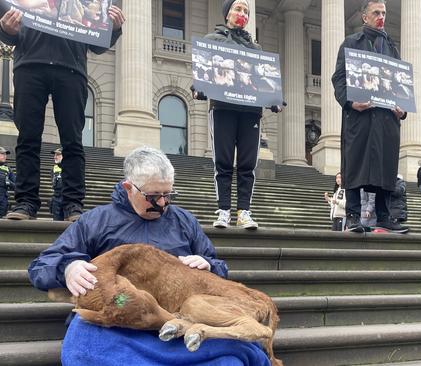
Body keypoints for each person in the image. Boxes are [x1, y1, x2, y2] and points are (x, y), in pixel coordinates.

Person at [27, 147, 270, 365]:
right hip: (121, 317)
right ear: (128, 188)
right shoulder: (96, 221)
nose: (163, 203)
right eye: (154, 196)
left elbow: (219, 271)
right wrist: (67, 267)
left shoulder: (184, 221)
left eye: (168, 195)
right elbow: (40, 266)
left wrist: (209, 265)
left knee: (231, 359)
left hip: (178, 321)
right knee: (82, 343)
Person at [0, 4, 125, 222]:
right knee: (27, 139)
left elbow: (97, 45)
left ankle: (72, 205)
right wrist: (6, 29)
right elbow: (9, 33)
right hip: (30, 67)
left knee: (73, 142)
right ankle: (25, 202)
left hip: (71, 70)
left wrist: (112, 29)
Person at [192, 0, 283, 230]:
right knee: (222, 163)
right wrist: (197, 88)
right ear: (227, 14)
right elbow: (202, 73)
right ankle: (223, 210)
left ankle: (244, 211)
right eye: (237, 9)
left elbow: (265, 81)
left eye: (246, 11)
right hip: (223, 109)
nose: (242, 14)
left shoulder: (256, 49)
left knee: (247, 165)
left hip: (250, 113)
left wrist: (275, 99)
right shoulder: (212, 41)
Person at [331, 0, 408, 234]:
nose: (381, 16)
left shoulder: (391, 48)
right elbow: (339, 79)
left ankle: (384, 216)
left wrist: (402, 109)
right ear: (365, 17)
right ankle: (353, 216)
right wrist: (350, 102)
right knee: (356, 164)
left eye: (384, 13)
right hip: (360, 116)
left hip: (386, 119)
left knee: (385, 165)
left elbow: (401, 84)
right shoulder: (351, 43)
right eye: (376, 12)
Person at [0, 146, 16, 218]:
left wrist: (9, 182)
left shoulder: (8, 169)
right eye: (2, 154)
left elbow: (16, 186)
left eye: (5, 154)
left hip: (3, 200)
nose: (5, 156)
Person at [49, 148, 64, 221]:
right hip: (56, 197)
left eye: (58, 155)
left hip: (67, 198)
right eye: (54, 155)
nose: (55, 157)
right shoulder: (53, 169)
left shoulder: (71, 168)